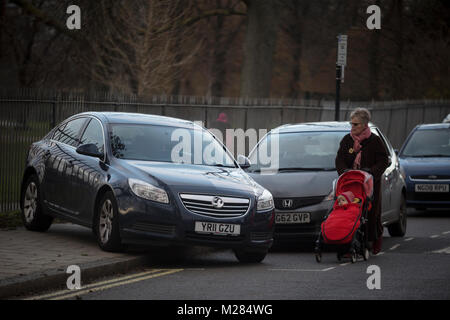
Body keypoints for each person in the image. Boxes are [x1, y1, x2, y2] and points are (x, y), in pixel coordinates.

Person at [335, 108, 389, 254]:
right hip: (351, 183)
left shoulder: (375, 141)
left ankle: (374, 238)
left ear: (365, 125)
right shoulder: (347, 140)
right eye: (351, 124)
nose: (352, 127)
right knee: (350, 213)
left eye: (356, 124)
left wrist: (372, 171)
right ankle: (349, 242)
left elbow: (384, 160)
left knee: (372, 214)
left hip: (370, 183)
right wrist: (344, 171)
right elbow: (339, 159)